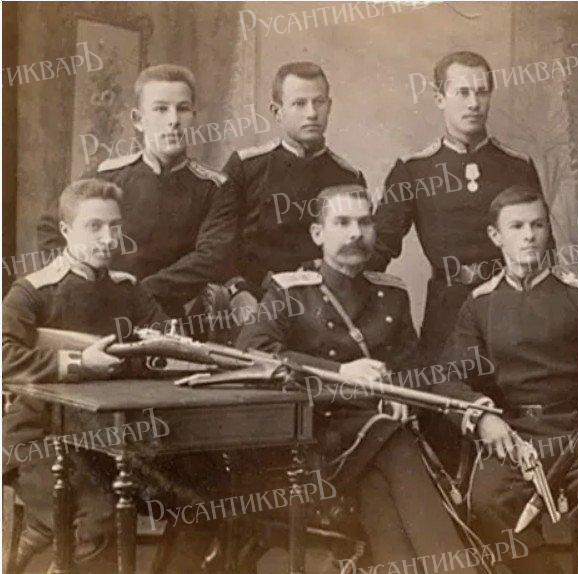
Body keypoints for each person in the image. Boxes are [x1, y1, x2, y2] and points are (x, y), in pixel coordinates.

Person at [237, 185, 481, 572]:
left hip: (378, 430)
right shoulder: (289, 292)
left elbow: (412, 367)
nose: (356, 233)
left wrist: (400, 393)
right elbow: (253, 353)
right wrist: (340, 373)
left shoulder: (391, 293)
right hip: (316, 435)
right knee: (394, 442)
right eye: (343, 222)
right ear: (318, 234)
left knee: (378, 491)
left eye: (365, 222)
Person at [435, 185, 578, 574]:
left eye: (538, 225)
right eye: (516, 227)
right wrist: (482, 416)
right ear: (496, 236)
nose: (529, 235)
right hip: (513, 436)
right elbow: (447, 378)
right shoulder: (480, 304)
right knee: (488, 501)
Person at [3, 179, 168, 573]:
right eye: (94, 227)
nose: (108, 239)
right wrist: (77, 364)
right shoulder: (33, 291)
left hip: (111, 437)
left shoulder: (130, 290)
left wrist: (168, 346)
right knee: (99, 519)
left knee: (205, 496)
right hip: (38, 439)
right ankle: (56, 537)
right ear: (65, 230)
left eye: (115, 226)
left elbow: (163, 344)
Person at [371, 51, 544, 365]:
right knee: (446, 391)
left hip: (512, 306)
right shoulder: (414, 170)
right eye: (462, 93)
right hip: (448, 312)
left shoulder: (517, 166)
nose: (473, 103)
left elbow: (545, 249)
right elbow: (380, 245)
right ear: (440, 98)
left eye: (481, 92)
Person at [36, 64, 237, 319]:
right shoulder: (107, 176)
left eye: (183, 109)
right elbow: (51, 227)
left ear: (193, 116)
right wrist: (76, 282)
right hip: (94, 308)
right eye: (161, 109)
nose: (173, 120)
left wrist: (135, 294)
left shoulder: (214, 187)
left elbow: (211, 259)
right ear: (138, 120)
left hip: (162, 313)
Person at [223, 62, 365, 306]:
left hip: (323, 303)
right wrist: (237, 290)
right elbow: (219, 243)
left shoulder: (348, 177)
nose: (312, 113)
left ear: (329, 106)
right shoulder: (246, 167)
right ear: (277, 111)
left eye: (319, 102)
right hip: (255, 297)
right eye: (299, 103)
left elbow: (356, 250)